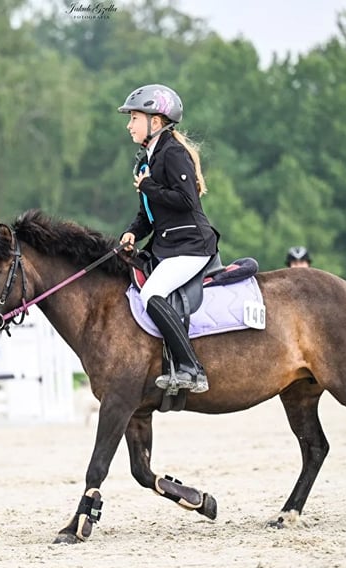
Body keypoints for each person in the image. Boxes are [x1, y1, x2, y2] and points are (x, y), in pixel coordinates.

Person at [117, 84, 219, 394]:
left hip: (191, 246)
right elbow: (150, 214)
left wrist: (148, 187)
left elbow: (187, 201)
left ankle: (191, 367)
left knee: (152, 295)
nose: (129, 124)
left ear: (156, 122)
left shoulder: (173, 153)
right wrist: (133, 231)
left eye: (134, 117)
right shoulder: (148, 159)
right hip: (168, 246)